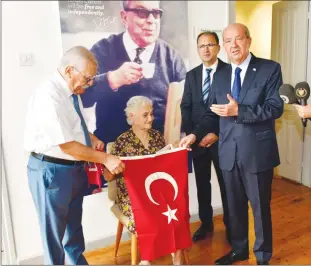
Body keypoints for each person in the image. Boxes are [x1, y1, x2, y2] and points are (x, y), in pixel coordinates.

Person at [179, 23, 284, 265]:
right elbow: (212, 114)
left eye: (238, 39)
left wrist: (239, 110)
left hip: (257, 153)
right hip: (228, 151)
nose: (233, 45)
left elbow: (275, 108)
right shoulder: (221, 75)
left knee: (259, 208)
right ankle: (239, 250)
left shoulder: (269, 69)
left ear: (248, 40)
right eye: (228, 41)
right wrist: (194, 135)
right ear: (223, 46)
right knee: (234, 206)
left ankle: (262, 256)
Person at [24, 46, 125, 265]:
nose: (90, 84)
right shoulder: (49, 95)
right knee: (54, 237)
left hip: (72, 171)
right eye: (87, 78)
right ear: (70, 70)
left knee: (73, 232)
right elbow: (67, 145)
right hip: (51, 171)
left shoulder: (71, 92)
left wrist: (91, 138)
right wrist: (106, 159)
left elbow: (72, 127)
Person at [81, 0, 187, 145]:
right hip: (113, 153)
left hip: (158, 152)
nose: (151, 21)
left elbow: (187, 106)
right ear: (124, 17)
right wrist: (112, 79)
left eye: (156, 13)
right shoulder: (103, 50)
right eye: (142, 13)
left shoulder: (171, 57)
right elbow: (83, 98)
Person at [108, 96, 182, 265]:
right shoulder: (122, 141)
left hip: (156, 191)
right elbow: (109, 175)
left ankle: (176, 256)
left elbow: (165, 167)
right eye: (145, 115)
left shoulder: (157, 136)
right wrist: (111, 169)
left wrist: (173, 154)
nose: (151, 119)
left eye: (151, 114)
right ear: (132, 117)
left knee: (176, 211)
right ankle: (147, 258)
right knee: (145, 215)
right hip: (132, 195)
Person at [180, 31, 230, 243]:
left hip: (221, 140)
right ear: (198, 49)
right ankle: (206, 223)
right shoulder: (191, 75)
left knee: (227, 185)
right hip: (198, 143)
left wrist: (216, 133)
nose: (206, 49)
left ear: (218, 47)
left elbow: (230, 107)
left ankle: (232, 226)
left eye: (211, 45)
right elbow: (186, 107)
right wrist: (195, 135)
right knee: (202, 184)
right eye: (202, 46)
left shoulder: (230, 72)